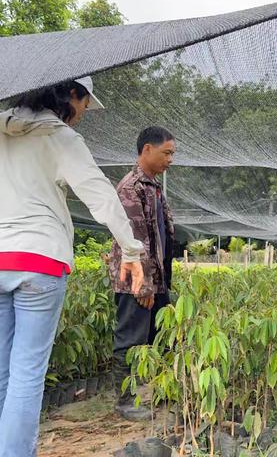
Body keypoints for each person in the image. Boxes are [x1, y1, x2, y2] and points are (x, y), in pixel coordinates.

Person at [0, 76, 144, 457]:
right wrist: (131, 250)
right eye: (83, 104)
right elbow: (101, 197)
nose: (82, 113)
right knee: (27, 375)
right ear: (71, 96)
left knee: (1, 372)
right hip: (39, 259)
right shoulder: (60, 137)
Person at [109, 126, 175, 420]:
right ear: (147, 149)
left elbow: (161, 236)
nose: (170, 159)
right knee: (131, 340)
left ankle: (156, 392)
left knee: (160, 336)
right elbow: (136, 242)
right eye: (167, 153)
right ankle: (125, 401)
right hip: (135, 280)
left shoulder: (153, 186)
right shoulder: (130, 188)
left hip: (154, 280)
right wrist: (144, 285)